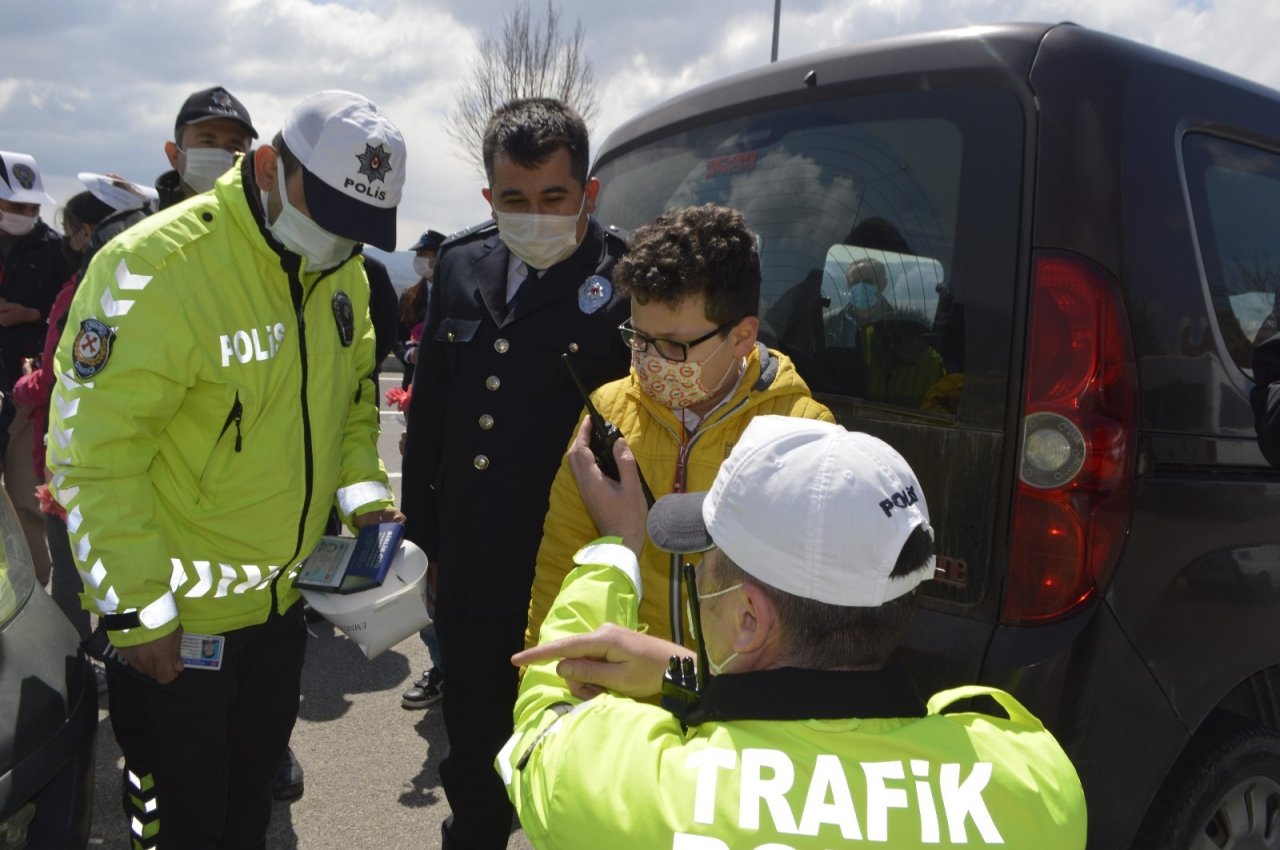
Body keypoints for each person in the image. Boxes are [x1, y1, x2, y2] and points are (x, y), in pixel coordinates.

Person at [47, 89, 406, 850]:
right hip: (179, 628)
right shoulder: (156, 268)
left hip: (282, 613)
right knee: (180, 814)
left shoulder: (339, 270)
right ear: (272, 165)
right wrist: (136, 611)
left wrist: (365, 495)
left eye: (361, 228)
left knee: (251, 801)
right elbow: (90, 457)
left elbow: (352, 404)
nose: (343, 240)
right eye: (332, 213)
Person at [503, 415, 1088, 848]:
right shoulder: (1035, 783)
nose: (700, 570)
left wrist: (617, 549)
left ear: (749, 618)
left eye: (705, 557)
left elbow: (549, 707)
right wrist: (689, 674)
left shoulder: (629, 787)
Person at [400, 96, 630, 849]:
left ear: (587, 195)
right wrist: (424, 546)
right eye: (514, 200)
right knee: (472, 739)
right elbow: (429, 417)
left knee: (581, 744)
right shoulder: (465, 262)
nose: (533, 215)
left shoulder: (623, 278)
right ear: (489, 197)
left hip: (569, 566)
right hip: (469, 561)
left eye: (553, 198)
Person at [526, 203, 834, 647]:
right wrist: (548, 693)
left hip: (736, 708)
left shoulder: (803, 433)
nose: (648, 361)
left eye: (673, 345)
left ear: (742, 337)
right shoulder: (606, 412)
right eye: (638, 337)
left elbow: (811, 622)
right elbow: (558, 567)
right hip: (619, 704)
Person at [12, 187, 117, 641]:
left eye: (68, 228)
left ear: (86, 234)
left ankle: (76, 659)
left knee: (71, 574)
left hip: (68, 453)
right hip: (115, 448)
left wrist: (22, 384)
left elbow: (58, 375)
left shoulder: (79, 293)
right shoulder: (130, 286)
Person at [0, 150, 73, 587]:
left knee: (27, 498)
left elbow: (69, 310)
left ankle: (35, 591)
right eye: (16, 207)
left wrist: (31, 315)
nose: (26, 215)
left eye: (32, 207)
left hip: (26, 392)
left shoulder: (53, 250)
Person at [156, 85, 258, 209]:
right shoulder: (138, 223)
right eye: (207, 142)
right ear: (174, 154)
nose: (221, 153)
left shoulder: (262, 226)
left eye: (233, 146)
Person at [395, 228, 446, 390]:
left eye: (424, 254)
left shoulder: (456, 294)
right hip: (413, 383)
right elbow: (397, 336)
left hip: (446, 382)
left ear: (439, 257)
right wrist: (409, 354)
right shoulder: (409, 295)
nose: (419, 259)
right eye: (418, 255)